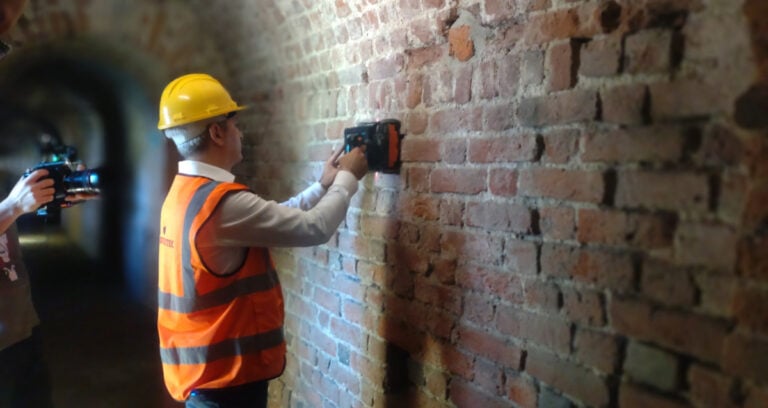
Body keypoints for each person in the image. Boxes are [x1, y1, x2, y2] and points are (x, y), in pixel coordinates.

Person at [156, 73, 368, 408]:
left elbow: (268, 218)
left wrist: (321, 186)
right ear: (216, 132)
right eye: (234, 124)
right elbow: (314, 228)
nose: (240, 133)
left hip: (205, 375)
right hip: (227, 384)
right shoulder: (223, 203)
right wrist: (347, 177)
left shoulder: (186, 193)